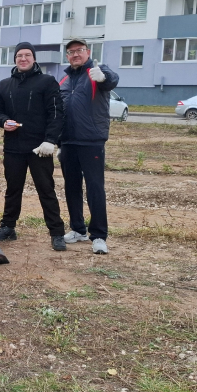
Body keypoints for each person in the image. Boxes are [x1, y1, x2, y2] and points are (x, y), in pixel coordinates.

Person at [0, 42, 67, 251]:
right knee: (12, 190)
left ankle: (57, 232)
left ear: (34, 59)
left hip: (39, 148)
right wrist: (4, 121)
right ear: (15, 59)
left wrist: (50, 140)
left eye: (27, 55)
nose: (23, 59)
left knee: (46, 190)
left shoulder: (47, 82)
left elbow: (56, 113)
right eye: (19, 56)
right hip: (13, 147)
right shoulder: (5, 84)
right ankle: (8, 227)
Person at [59, 38, 120, 255]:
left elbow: (112, 80)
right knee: (72, 187)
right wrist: (56, 140)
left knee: (95, 188)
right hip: (67, 142)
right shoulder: (64, 80)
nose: (75, 54)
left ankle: (99, 235)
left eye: (79, 50)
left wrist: (104, 77)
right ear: (67, 56)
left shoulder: (97, 71)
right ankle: (78, 229)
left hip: (91, 141)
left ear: (88, 52)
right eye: (71, 52)